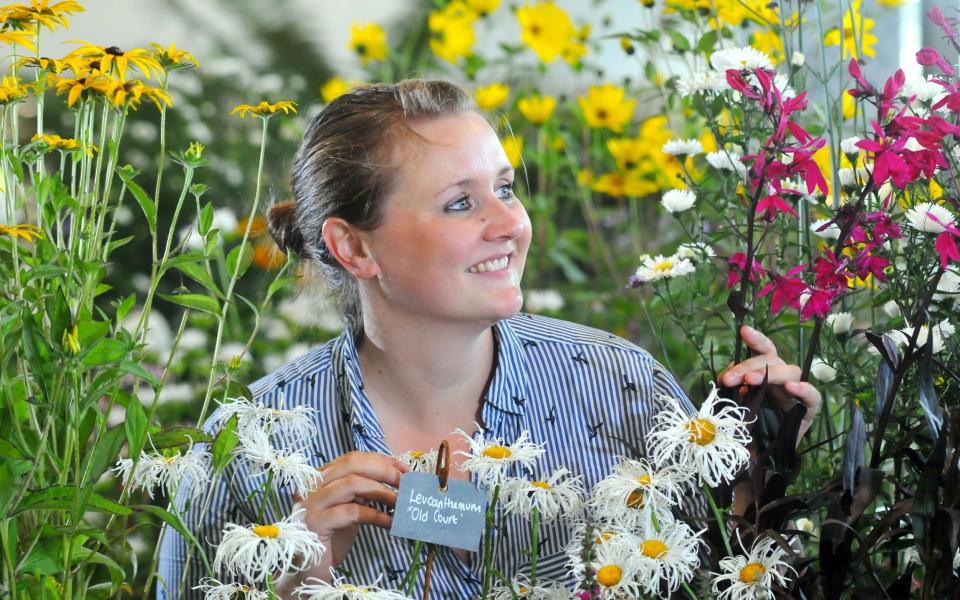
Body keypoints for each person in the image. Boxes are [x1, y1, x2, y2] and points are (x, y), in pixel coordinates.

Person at [157, 79, 821, 599]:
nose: (511, 223)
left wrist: (757, 475)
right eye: (460, 202)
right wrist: (297, 586)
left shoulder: (625, 388)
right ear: (353, 247)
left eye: (505, 188)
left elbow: (719, 580)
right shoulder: (247, 451)